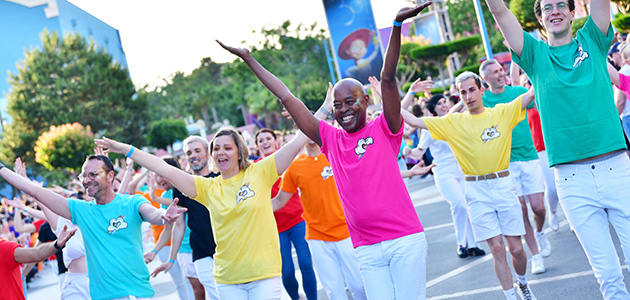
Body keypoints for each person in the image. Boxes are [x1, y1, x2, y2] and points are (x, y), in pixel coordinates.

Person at [217, 4, 432, 299]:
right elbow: (285, 95)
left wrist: (395, 25)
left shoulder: (386, 127)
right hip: (366, 247)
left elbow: (388, 77)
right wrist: (249, 59)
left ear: (366, 100)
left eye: (350, 101)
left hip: (403, 239)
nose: (343, 110)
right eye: (337, 105)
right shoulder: (330, 138)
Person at [95, 108, 331, 298]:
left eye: (227, 147)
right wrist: (125, 149)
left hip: (264, 275)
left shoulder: (260, 172)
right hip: (228, 280)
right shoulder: (208, 187)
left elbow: (299, 140)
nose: (221, 152)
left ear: (239, 151)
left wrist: (325, 108)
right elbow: (163, 167)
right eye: (216, 148)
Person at [486, 0, 630, 297]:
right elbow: (500, 11)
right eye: (547, 7)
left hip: (617, 169)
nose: (555, 11)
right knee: (608, 275)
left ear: (573, 12)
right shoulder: (534, 55)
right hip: (572, 181)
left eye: (561, 5)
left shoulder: (592, 39)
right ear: (539, 18)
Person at [402, 71, 537, 300]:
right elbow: (413, 121)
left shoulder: (503, 112)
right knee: (496, 248)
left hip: (503, 184)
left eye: (472, 89)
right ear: (458, 95)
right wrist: (406, 94)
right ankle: (510, 295)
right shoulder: (452, 122)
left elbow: (533, 92)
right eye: (462, 92)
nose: (468, 96)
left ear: (482, 89)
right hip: (475, 190)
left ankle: (522, 283)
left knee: (516, 249)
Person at [0, 156, 185, 300]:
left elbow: (151, 213)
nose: (87, 180)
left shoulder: (132, 202)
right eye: (84, 176)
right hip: (107, 293)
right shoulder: (81, 210)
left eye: (93, 174)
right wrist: (2, 169)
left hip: (139, 288)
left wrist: (163, 216)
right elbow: (36, 192)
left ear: (110, 175)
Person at [271, 137, 367, 300]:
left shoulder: (336, 155)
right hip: (317, 238)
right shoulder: (295, 167)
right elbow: (280, 200)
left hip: (345, 232)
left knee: (359, 287)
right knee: (335, 292)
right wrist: (252, 209)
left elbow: (362, 178)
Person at [480, 59, 550, 273]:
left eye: (501, 70)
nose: (500, 74)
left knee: (538, 207)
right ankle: (536, 255)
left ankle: (539, 231)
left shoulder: (519, 92)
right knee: (520, 208)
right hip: (505, 163)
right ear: (485, 79)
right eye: (494, 72)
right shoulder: (482, 100)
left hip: (529, 156)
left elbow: (540, 104)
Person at [405, 94, 485, 259]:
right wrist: (407, 152)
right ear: (433, 109)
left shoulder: (454, 121)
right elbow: (419, 153)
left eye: (444, 102)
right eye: (439, 104)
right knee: (459, 205)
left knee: (468, 205)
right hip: (443, 172)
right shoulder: (430, 127)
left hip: (462, 170)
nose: (444, 105)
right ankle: (462, 243)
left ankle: (473, 244)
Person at [255, 128, 317, 300]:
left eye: (268, 138)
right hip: (275, 227)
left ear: (277, 142)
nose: (265, 142)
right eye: (261, 140)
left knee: (305, 264)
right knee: (287, 272)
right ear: (257, 146)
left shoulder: (290, 161)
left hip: (298, 220)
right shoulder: (256, 168)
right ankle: (296, 298)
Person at [147, 150, 218, 300]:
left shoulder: (192, 185)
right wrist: (158, 253)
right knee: (199, 290)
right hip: (187, 249)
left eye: (162, 174)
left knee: (214, 288)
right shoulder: (169, 195)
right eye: (157, 175)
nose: (159, 179)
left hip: (209, 244)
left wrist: (156, 199)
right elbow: (171, 227)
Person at [1, 224, 75, 300]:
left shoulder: (4, 248)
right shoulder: (3, 248)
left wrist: (57, 244)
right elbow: (35, 254)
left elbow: (35, 253)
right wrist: (56, 244)